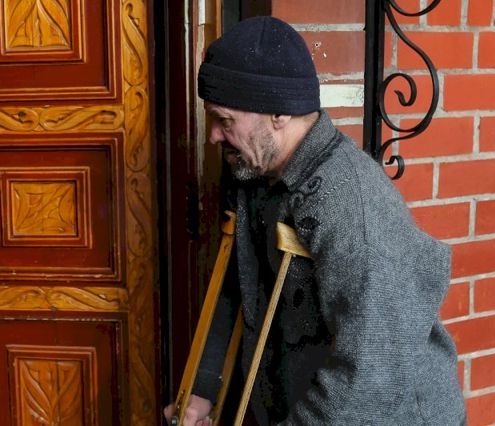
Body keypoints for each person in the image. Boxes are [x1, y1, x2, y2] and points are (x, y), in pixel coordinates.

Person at [164, 16, 466, 425]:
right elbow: (238, 288)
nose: (213, 136)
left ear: (278, 113)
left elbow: (369, 379)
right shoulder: (255, 174)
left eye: (225, 120)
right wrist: (203, 389)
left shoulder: (349, 204)